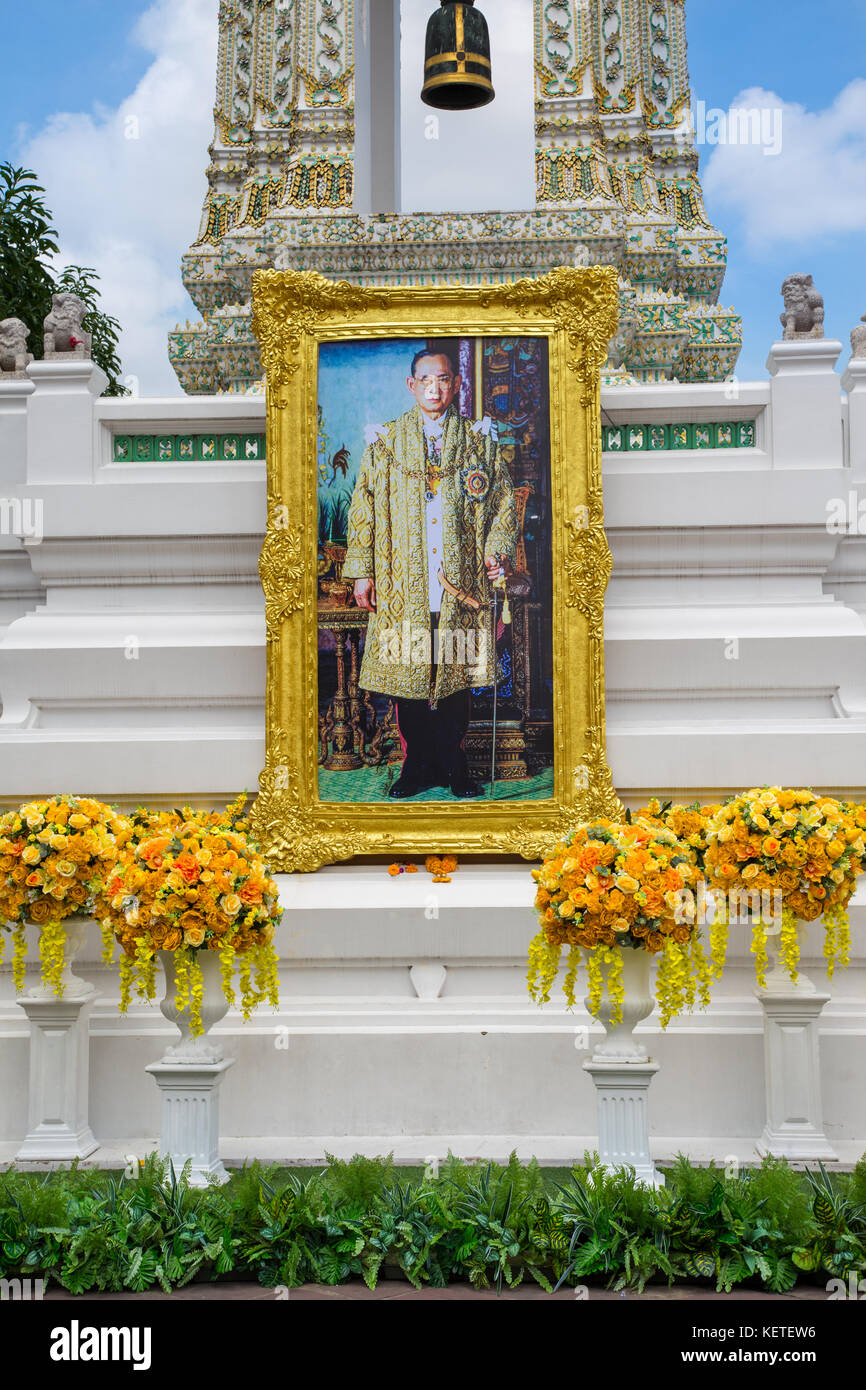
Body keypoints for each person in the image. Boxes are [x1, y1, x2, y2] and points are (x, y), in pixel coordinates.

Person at [343, 348, 517, 799]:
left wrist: (497, 552)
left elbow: (501, 502)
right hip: (405, 582)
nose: (435, 388)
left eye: (443, 380)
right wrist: (363, 572)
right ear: (411, 384)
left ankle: (454, 763)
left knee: (456, 673)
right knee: (411, 672)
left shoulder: (478, 441)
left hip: (462, 584)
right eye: (426, 380)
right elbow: (363, 507)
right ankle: (417, 764)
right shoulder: (385, 441)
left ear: (455, 384)